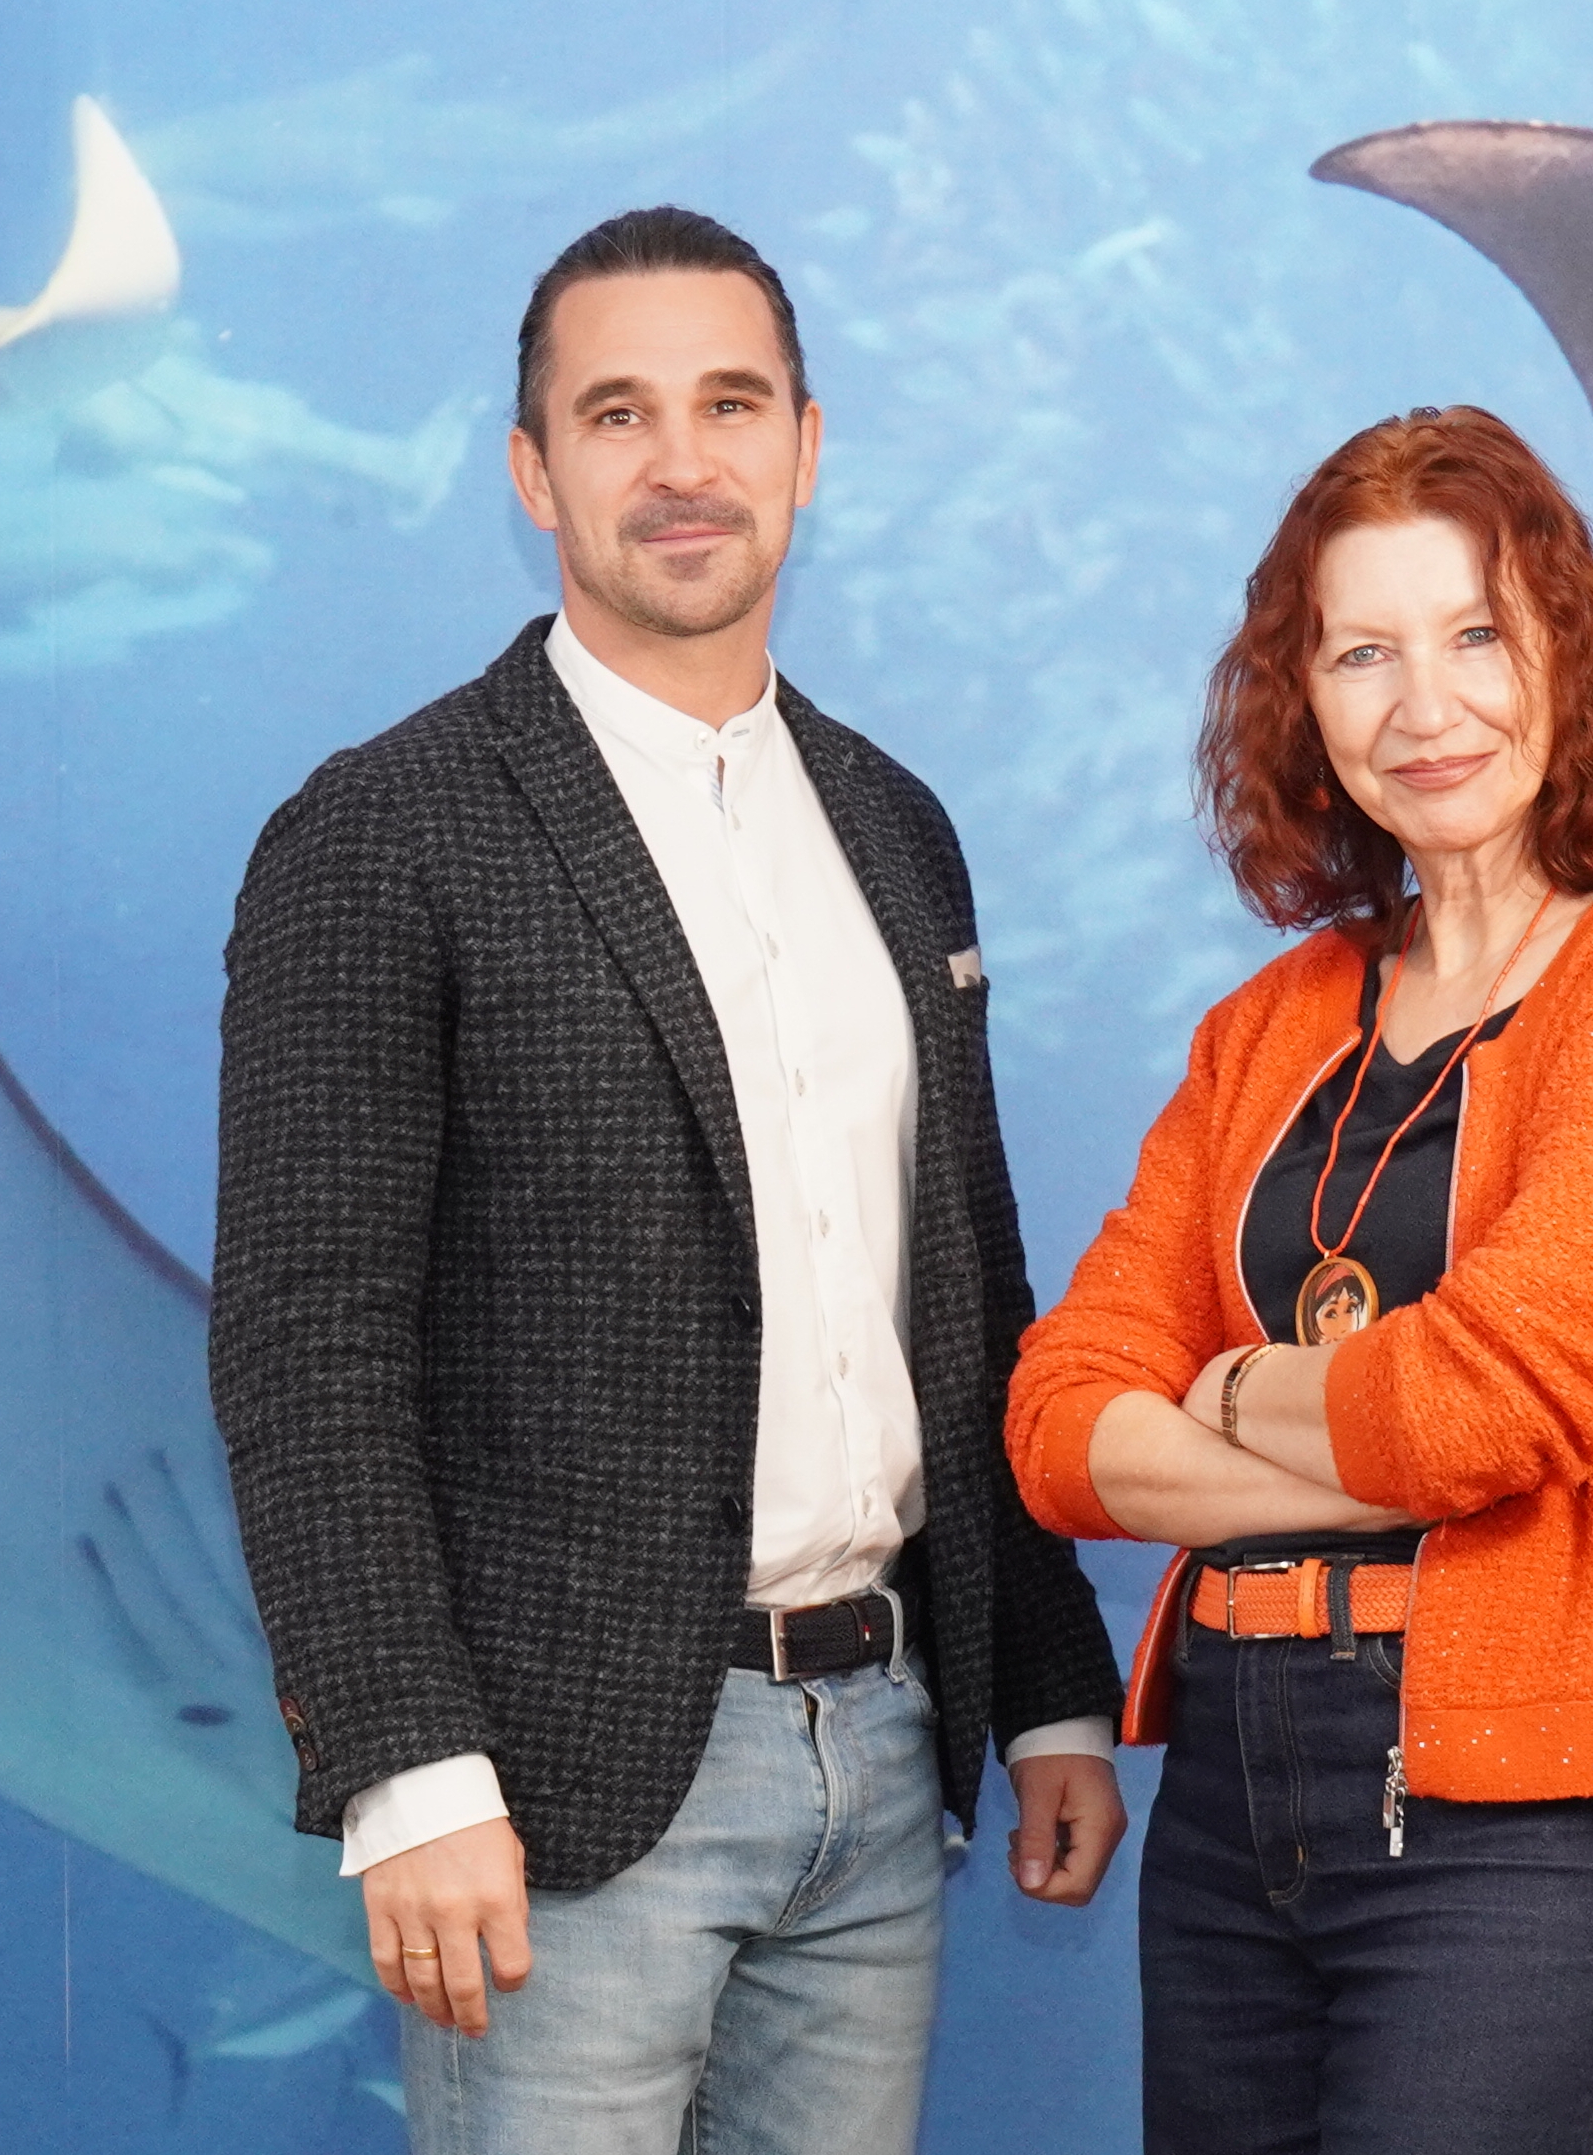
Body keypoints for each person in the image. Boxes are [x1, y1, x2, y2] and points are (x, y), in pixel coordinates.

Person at [211, 206, 1127, 2155]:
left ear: (808, 444)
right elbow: (307, 1346)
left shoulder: (895, 826)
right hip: (556, 1788)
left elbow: (965, 1287)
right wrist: (404, 1765)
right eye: (616, 413)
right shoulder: (382, 831)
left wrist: (1049, 1686)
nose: (682, 460)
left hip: (888, 1749)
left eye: (730, 403)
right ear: (533, 471)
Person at [1007, 406, 1593, 2154]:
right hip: (1226, 1793)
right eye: (1359, 654)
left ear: (1565, 654)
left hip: (1529, 1820)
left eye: (1474, 636)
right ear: (1299, 701)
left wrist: (1222, 1387)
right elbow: (1059, 1425)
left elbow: (1480, 1411)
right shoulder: (1266, 1023)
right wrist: (1379, 1434)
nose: (1422, 707)